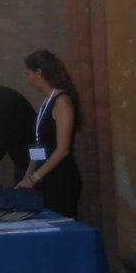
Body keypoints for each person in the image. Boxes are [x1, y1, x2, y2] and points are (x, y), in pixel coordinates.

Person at [16, 48, 83, 217]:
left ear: (39, 73)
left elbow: (62, 150)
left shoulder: (62, 101)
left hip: (61, 180)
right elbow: (40, 144)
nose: (28, 80)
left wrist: (34, 178)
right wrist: (27, 175)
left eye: (28, 74)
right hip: (44, 179)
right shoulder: (47, 101)